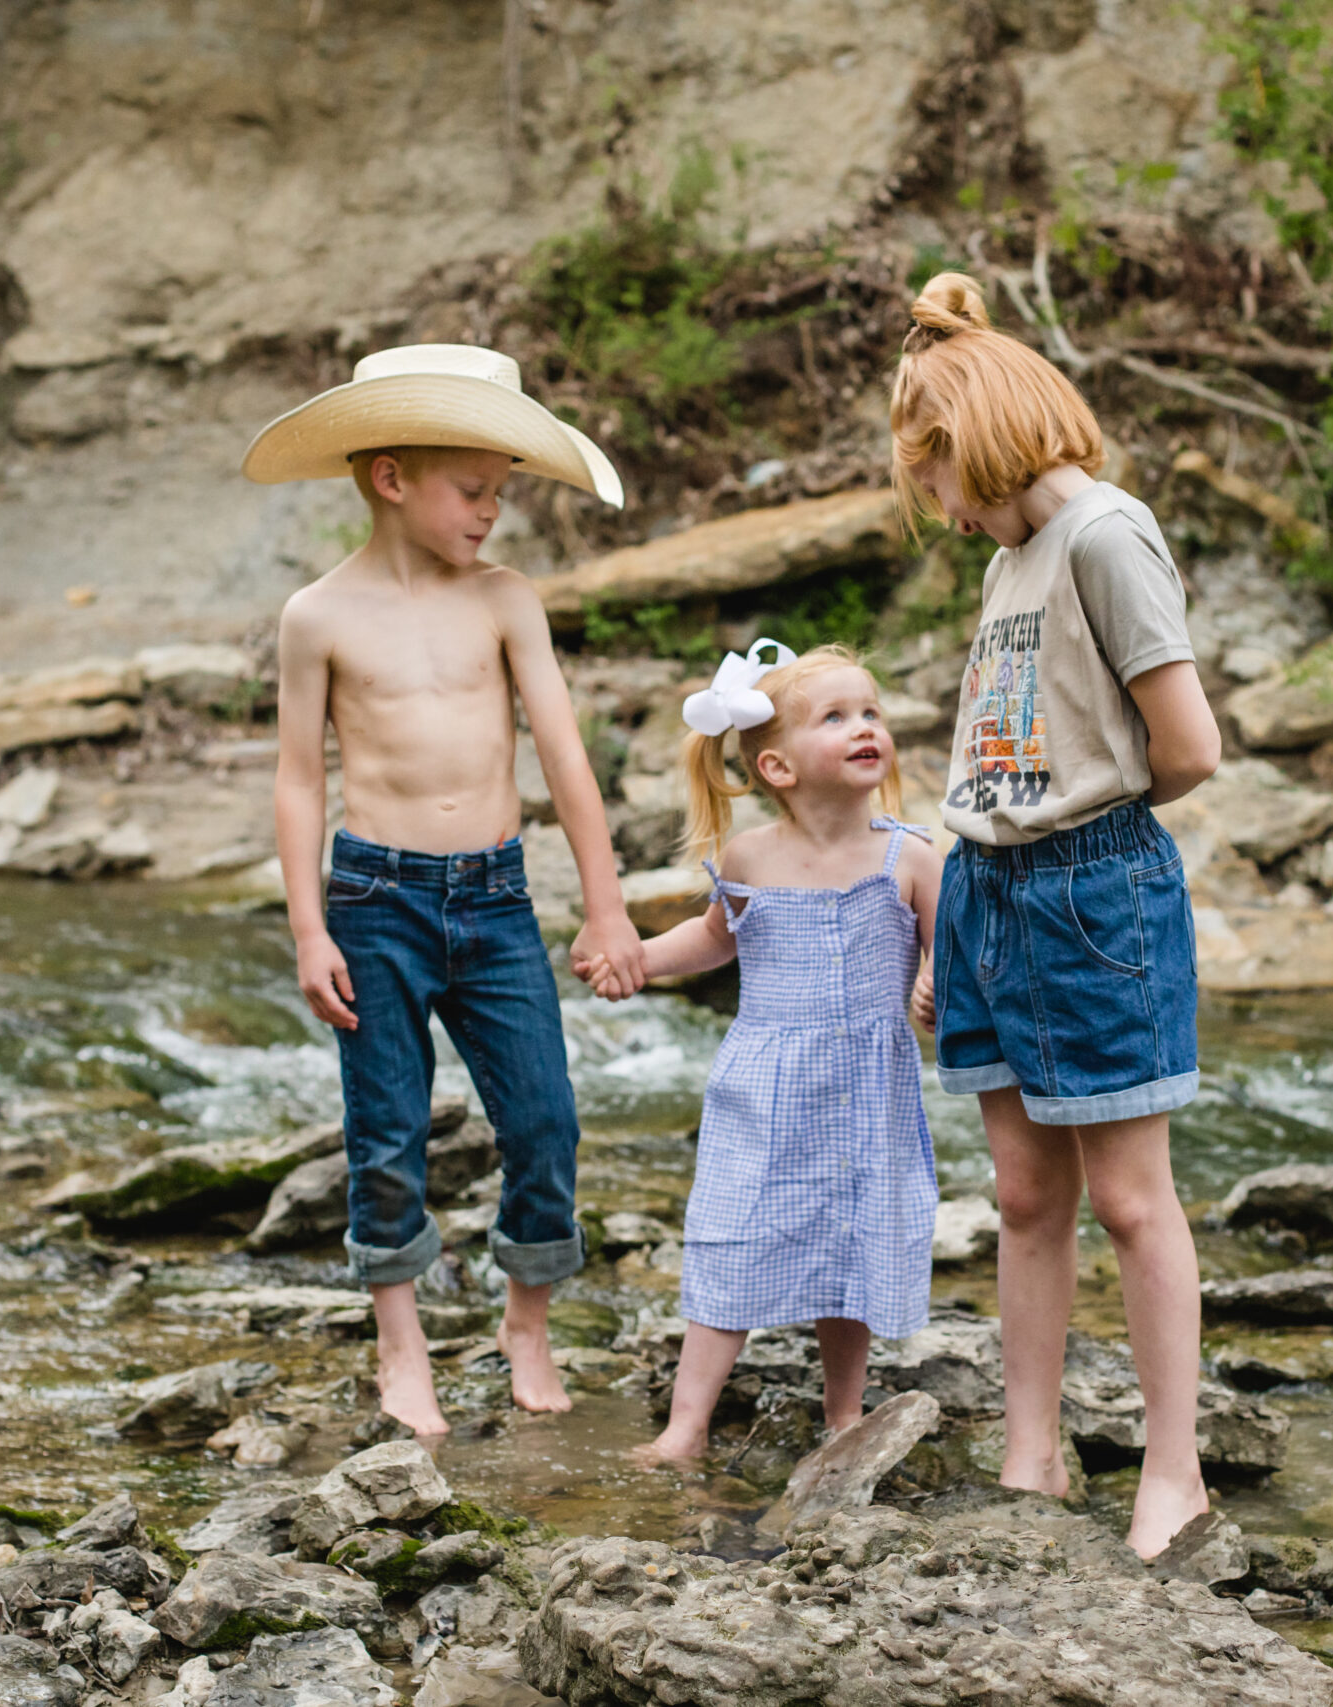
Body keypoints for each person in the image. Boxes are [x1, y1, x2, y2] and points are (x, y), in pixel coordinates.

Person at [248, 344, 649, 1436]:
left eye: (501, 495)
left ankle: (527, 1319)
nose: (490, 514)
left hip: (496, 898)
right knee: (385, 1130)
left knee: (545, 1119)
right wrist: (306, 928)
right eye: (472, 492)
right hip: (372, 902)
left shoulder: (506, 600)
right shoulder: (317, 616)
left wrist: (605, 906)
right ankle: (401, 1346)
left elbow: (565, 758)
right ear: (389, 477)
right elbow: (297, 778)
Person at [890, 273, 1224, 1558]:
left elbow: (1185, 746)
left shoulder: (1104, 535)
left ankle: (1173, 1471)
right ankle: (1031, 1457)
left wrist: (1073, 816)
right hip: (984, 889)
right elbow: (998, 740)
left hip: (1091, 890)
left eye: (929, 476)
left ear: (962, 442)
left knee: (1134, 1200)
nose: (934, 504)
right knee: (1026, 1195)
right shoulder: (1011, 562)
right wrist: (947, 924)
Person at [576, 641, 940, 1461]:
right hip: (765, 1088)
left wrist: (932, 985)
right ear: (776, 765)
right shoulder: (750, 857)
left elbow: (946, 950)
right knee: (731, 1233)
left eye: (872, 712)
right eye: (837, 716)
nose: (865, 727)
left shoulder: (910, 856)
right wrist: (634, 958)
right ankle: (686, 1424)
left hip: (863, 1093)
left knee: (851, 1242)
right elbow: (714, 940)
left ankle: (843, 1413)